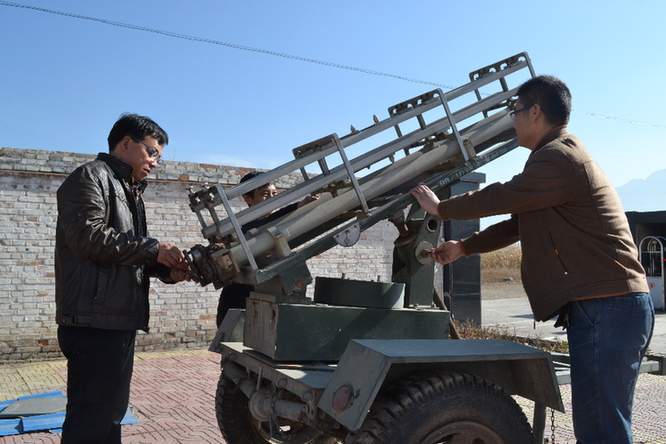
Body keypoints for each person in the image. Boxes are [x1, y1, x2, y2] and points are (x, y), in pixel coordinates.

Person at [411, 75, 654, 444]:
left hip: (607, 306)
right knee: (602, 426)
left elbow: (504, 195)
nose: (513, 122)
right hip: (608, 307)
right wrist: (465, 247)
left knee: (602, 431)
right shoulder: (555, 157)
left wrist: (441, 208)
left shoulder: (558, 156)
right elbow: (517, 223)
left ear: (535, 112)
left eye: (516, 113)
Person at [55, 113, 197, 443]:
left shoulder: (128, 189)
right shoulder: (90, 176)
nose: (155, 163)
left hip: (117, 321)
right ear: (126, 143)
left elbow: (126, 254)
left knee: (111, 417)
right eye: (152, 152)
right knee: (89, 422)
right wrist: (154, 250)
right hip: (93, 323)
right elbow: (87, 238)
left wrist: (166, 269)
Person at [216, 170, 319, 327]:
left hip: (265, 299)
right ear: (248, 198)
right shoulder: (243, 226)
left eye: (274, 193)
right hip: (237, 301)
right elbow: (264, 223)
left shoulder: (277, 224)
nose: (272, 198)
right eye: (265, 194)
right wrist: (298, 205)